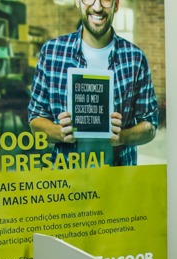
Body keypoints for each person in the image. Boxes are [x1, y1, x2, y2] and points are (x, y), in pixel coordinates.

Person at [27, 0, 159, 167]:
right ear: (77, 2)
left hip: (120, 179)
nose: (97, 7)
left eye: (105, 0)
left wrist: (123, 136)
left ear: (116, 5)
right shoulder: (52, 52)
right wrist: (59, 132)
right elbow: (35, 119)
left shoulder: (135, 58)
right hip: (68, 177)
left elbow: (150, 126)